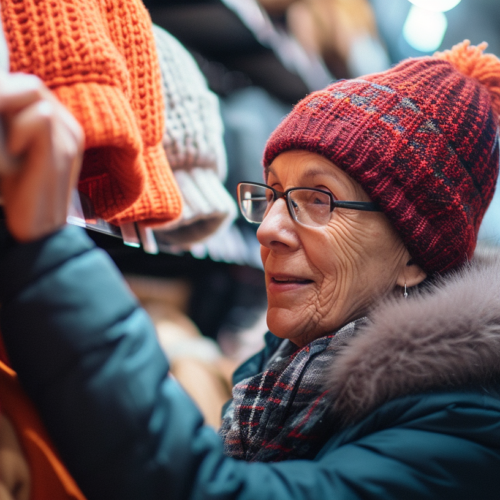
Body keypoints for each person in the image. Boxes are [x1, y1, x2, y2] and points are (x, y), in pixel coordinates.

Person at [1, 40, 500, 499]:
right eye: (274, 194)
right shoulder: (282, 373)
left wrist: (47, 250)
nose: (268, 230)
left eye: (316, 199)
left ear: (414, 256)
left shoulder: (465, 425)